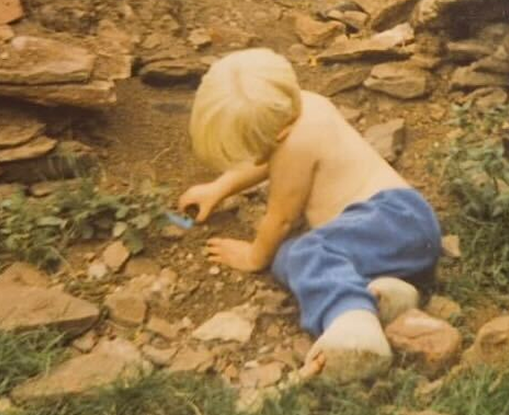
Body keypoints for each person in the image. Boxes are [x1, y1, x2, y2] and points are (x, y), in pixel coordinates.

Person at [178, 48, 442, 381]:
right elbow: (265, 160)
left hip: (387, 219)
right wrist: (220, 187)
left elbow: (281, 218)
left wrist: (254, 256)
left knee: (300, 251)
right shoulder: (305, 105)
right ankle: (385, 295)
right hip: (407, 228)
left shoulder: (295, 146)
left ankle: (352, 323)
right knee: (291, 253)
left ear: (278, 135)